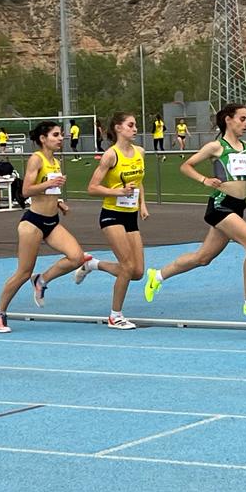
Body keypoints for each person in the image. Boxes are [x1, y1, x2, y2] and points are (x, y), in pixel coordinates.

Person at [143, 103, 246, 321]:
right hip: (221, 205)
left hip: (238, 207)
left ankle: (158, 275)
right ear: (228, 120)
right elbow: (186, 166)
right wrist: (205, 180)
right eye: (242, 119)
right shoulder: (216, 147)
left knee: (202, 258)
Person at [0, 121, 90, 333]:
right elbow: (26, 190)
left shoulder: (55, 161)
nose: (60, 138)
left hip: (52, 222)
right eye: (55, 135)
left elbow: (49, 189)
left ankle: (41, 279)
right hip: (33, 222)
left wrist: (59, 201)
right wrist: (49, 185)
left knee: (77, 257)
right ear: (43, 139)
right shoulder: (36, 158)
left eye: (61, 134)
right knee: (23, 272)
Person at [73, 112, 149, 329]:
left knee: (137, 272)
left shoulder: (139, 152)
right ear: (118, 128)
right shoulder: (110, 155)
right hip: (111, 215)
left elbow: (138, 181)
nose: (135, 129)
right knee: (126, 266)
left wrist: (142, 203)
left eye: (135, 125)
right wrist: (119, 192)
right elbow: (92, 188)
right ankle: (115, 316)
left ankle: (92, 265)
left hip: (131, 215)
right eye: (131, 125)